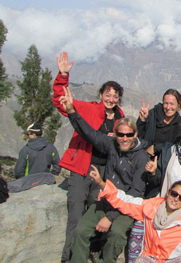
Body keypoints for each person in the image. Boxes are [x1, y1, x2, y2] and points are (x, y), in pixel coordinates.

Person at [59, 86, 149, 263]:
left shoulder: (141, 157)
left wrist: (110, 217)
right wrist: (71, 112)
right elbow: (89, 133)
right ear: (114, 135)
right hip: (106, 200)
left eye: (129, 135)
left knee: (115, 233)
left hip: (125, 207)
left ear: (135, 134)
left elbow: (135, 194)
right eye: (120, 134)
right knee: (80, 231)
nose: (124, 138)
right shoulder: (111, 145)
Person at [52, 51, 125, 263]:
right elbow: (61, 101)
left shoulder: (121, 118)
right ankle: (69, 258)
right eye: (107, 94)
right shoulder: (89, 109)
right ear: (101, 95)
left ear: (119, 98)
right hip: (83, 166)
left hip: (104, 173)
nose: (111, 99)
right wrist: (62, 76)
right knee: (75, 214)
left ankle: (91, 251)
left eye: (115, 96)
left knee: (95, 212)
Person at [127, 115, 181, 262]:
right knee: (139, 226)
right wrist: (154, 172)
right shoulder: (170, 151)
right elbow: (157, 180)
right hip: (162, 200)